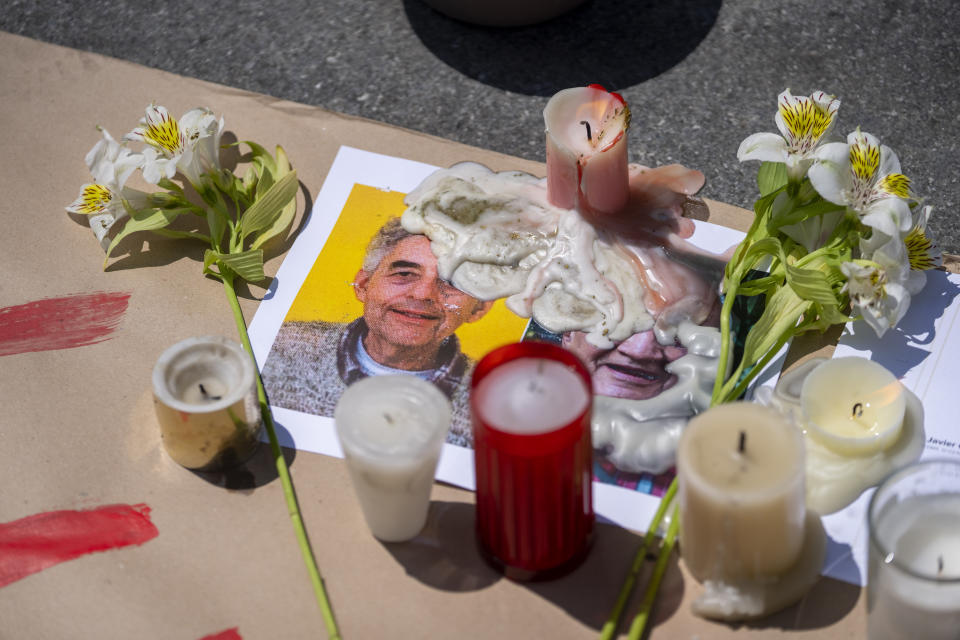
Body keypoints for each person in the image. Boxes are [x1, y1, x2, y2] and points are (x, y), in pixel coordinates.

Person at [261, 218, 493, 447]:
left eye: (451, 282)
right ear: (363, 285)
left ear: (479, 307)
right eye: (404, 274)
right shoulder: (282, 346)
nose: (423, 294)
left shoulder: (493, 403)